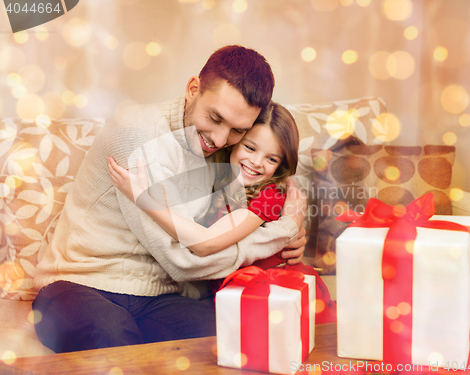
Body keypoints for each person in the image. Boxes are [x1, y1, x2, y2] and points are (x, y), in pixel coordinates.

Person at [32, 45, 307, 353]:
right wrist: (283, 232)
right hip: (81, 283)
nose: (219, 139)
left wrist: (288, 231)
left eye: (237, 131)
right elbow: (185, 260)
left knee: (233, 339)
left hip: (158, 296)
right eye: (215, 118)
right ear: (193, 89)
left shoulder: (225, 152)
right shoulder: (139, 136)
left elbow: (269, 181)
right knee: (113, 344)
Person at [108, 102, 336, 323]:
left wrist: (143, 198)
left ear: (280, 165)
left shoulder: (269, 196)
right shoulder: (219, 184)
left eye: (271, 158)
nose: (256, 162)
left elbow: (205, 243)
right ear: (234, 142)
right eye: (250, 147)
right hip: (238, 297)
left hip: (278, 296)